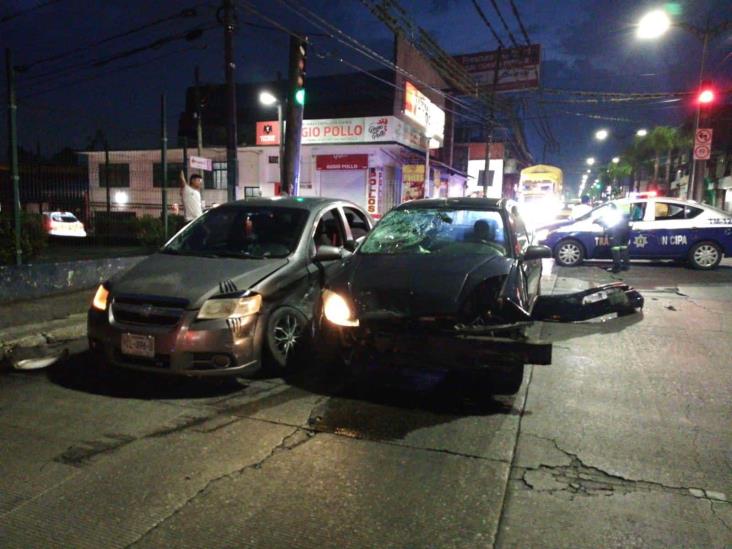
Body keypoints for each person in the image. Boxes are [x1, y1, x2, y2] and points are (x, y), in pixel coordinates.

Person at [597, 202, 631, 273]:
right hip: (625, 230)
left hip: (616, 232)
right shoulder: (623, 214)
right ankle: (626, 266)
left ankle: (616, 267)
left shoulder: (613, 214)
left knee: (615, 249)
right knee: (624, 248)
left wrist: (600, 222)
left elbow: (609, 224)